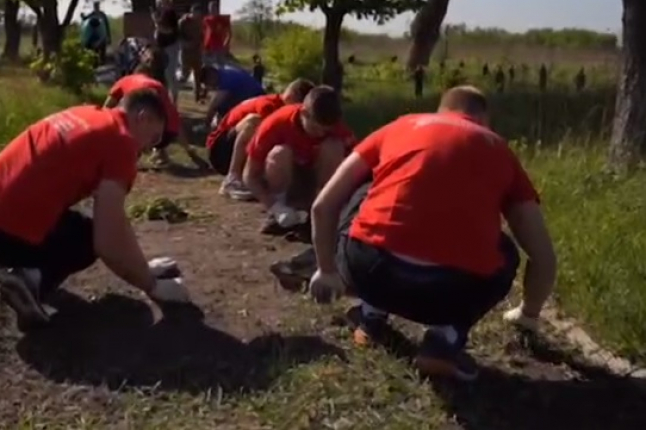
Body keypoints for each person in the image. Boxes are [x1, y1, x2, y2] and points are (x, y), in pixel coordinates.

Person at [305, 85, 557, 381]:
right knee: (507, 252)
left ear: (441, 110)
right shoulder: (499, 148)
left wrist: (326, 269)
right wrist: (528, 314)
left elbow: (323, 206)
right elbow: (542, 256)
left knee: (364, 193)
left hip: (374, 272)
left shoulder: (400, 126)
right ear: (483, 119)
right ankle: (444, 339)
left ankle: (371, 315)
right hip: (451, 292)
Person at [0, 90, 192, 332]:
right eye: (153, 138)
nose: (148, 150)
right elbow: (108, 240)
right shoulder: (122, 141)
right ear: (143, 117)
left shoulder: (86, 114)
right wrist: (150, 284)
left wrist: (141, 265)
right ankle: (30, 281)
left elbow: (114, 220)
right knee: (85, 239)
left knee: (77, 225)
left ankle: (25, 273)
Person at [244, 86, 355, 234]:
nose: (320, 134)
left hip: (312, 181)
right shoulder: (276, 124)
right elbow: (249, 176)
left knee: (334, 147)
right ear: (304, 113)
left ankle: (320, 207)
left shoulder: (338, 129)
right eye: (315, 129)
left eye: (325, 130)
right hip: (283, 181)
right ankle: (280, 210)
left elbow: (357, 167)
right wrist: (274, 206)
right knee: (280, 153)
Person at [208, 78, 315, 200]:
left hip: (235, 146)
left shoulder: (281, 107)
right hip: (221, 149)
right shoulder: (269, 105)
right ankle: (233, 177)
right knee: (255, 122)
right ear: (292, 96)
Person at [104, 52, 207, 170]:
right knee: (154, 118)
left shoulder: (126, 80)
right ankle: (159, 152)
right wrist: (189, 150)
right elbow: (175, 120)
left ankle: (130, 157)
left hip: (145, 134)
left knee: (133, 115)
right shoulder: (158, 85)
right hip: (166, 136)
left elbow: (107, 107)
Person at [199, 64, 265, 129]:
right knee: (223, 104)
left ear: (211, 76)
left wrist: (207, 122)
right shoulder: (223, 72)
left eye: (208, 83)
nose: (210, 86)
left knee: (222, 105)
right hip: (251, 94)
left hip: (255, 96)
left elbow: (215, 105)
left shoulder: (226, 79)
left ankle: (224, 126)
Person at [150, 0, 181, 105]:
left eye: (164, 2)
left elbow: (168, 31)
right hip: (161, 47)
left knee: (169, 74)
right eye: (160, 2)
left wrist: (156, 23)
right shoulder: (160, 14)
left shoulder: (170, 14)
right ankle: (164, 99)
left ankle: (174, 101)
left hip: (170, 46)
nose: (162, 4)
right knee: (160, 74)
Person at [178, 4, 204, 101]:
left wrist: (201, 44)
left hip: (197, 51)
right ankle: (174, 91)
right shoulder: (183, 22)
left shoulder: (199, 22)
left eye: (199, 13)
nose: (198, 15)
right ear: (192, 12)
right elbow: (178, 36)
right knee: (185, 74)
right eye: (196, 13)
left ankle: (197, 96)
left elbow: (201, 35)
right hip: (186, 52)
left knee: (198, 74)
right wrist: (185, 43)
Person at [81, 1, 112, 66]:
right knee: (94, 48)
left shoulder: (102, 14)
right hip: (93, 32)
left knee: (102, 46)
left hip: (101, 31)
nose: (96, 7)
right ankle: (95, 61)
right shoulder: (92, 14)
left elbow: (106, 25)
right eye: (95, 6)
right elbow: (85, 19)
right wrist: (82, 16)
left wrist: (109, 36)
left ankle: (103, 61)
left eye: (97, 6)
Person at [202, 1, 231, 65]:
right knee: (208, 67)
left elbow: (229, 33)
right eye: (211, 8)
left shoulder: (222, 20)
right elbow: (203, 33)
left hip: (219, 47)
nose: (212, 10)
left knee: (220, 67)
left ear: (217, 9)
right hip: (208, 48)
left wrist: (225, 44)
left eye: (214, 8)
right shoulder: (206, 20)